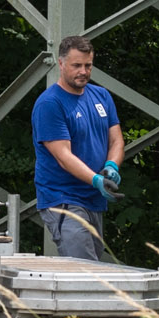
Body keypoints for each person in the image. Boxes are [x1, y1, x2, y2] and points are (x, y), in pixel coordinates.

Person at [31, 33, 123, 261]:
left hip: (94, 200)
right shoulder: (50, 103)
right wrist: (96, 179)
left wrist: (112, 165)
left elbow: (117, 140)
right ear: (61, 64)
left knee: (94, 271)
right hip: (64, 199)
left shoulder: (101, 96)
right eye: (77, 65)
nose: (83, 71)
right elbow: (63, 155)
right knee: (84, 274)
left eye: (88, 65)